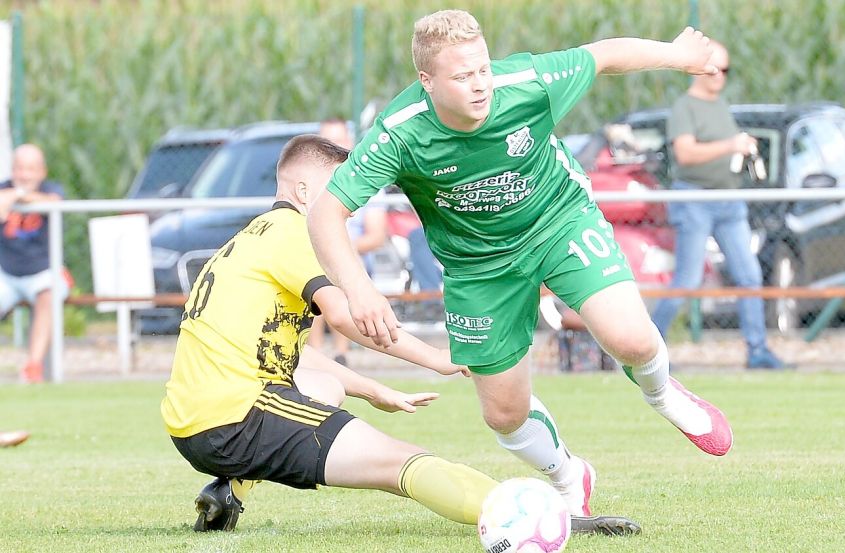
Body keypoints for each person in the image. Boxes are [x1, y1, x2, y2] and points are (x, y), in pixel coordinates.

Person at [307, 9, 733, 523]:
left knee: (633, 340)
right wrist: (361, 290)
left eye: (482, 68)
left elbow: (602, 57)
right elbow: (327, 212)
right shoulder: (400, 133)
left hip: (558, 221)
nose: (480, 84)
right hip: (478, 267)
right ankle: (569, 477)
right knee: (505, 415)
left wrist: (677, 55)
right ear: (426, 81)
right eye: (462, 76)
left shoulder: (525, 82)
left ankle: (664, 396)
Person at [161, 134, 500, 532]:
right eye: (339, 189)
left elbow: (288, 352)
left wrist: (375, 390)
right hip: (236, 418)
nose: (350, 206)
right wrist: (440, 359)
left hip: (194, 422)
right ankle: (517, 511)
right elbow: (347, 316)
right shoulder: (295, 232)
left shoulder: (254, 236)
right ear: (303, 191)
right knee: (398, 461)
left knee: (325, 387)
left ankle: (228, 492)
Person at [649, 40, 788, 370]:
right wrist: (729, 145)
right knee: (687, 279)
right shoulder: (685, 107)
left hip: (729, 199)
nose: (720, 76)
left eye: (726, 70)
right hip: (695, 199)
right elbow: (685, 153)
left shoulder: (721, 105)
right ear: (698, 69)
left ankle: (757, 351)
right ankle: (650, 351)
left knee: (749, 276)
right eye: (714, 68)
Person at [308, 119, 389, 365]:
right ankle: (316, 355)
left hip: (354, 258)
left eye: (339, 139)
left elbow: (376, 236)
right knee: (312, 274)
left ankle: (341, 355)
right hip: (316, 256)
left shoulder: (368, 181)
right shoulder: (309, 185)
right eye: (326, 140)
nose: (333, 145)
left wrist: (338, 248)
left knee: (338, 270)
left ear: (351, 142)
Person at [0, 144, 67, 383]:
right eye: (19, 168)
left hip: (43, 273)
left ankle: (33, 367)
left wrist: (19, 196)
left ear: (42, 171)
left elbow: (54, 202)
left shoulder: (51, 189)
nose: (24, 174)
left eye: (30, 169)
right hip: (6, 275)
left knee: (48, 293)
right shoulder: (3, 188)